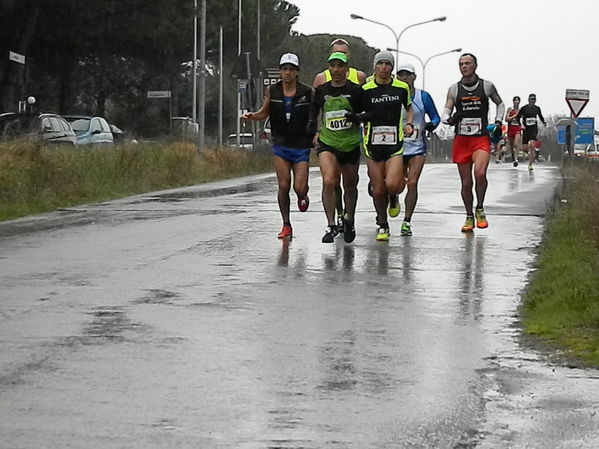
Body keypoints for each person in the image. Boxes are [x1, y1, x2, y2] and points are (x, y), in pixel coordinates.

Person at [243, 53, 314, 239]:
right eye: (284, 69)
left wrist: (316, 133)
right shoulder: (272, 90)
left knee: (299, 187)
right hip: (281, 144)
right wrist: (252, 117)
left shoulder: (307, 92)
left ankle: (302, 196)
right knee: (283, 185)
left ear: (297, 72)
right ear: (280, 71)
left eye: (291, 69)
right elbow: (264, 112)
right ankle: (286, 224)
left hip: (300, 146)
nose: (288, 73)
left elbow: (315, 115)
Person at [442, 53, 505, 232]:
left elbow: (500, 104)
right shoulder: (454, 89)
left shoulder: (486, 86)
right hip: (462, 140)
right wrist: (451, 118)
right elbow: (445, 113)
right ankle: (469, 215)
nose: (464, 66)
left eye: (467, 63)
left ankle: (480, 208)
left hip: (480, 138)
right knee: (466, 183)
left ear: (475, 66)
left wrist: (498, 122)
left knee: (479, 173)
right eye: (461, 64)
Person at [357, 51, 414, 241]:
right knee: (378, 188)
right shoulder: (366, 89)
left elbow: (409, 108)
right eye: (380, 63)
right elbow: (359, 111)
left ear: (392, 68)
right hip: (372, 145)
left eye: (387, 64)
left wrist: (409, 124)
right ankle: (382, 224)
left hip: (394, 144)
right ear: (375, 66)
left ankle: (394, 196)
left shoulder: (401, 87)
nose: (383, 67)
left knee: (392, 184)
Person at [311, 52, 366, 243]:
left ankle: (349, 219)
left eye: (340, 66)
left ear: (346, 69)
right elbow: (315, 112)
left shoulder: (356, 90)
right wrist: (316, 132)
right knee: (329, 181)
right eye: (332, 66)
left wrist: (357, 118)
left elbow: (367, 113)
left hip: (349, 144)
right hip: (328, 143)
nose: (336, 70)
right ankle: (331, 224)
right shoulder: (321, 90)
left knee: (350, 186)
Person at [394, 62, 440, 236]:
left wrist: (430, 125)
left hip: (417, 147)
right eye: (401, 75)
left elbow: (435, 117)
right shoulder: (394, 94)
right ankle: (393, 197)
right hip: (396, 147)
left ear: (414, 77)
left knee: (412, 183)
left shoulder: (423, 97)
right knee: (395, 186)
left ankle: (407, 221)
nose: (404, 78)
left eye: (407, 74)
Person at [517, 93, 546, 170]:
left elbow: (540, 116)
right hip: (526, 129)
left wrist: (544, 122)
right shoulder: (524, 108)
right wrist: (521, 125)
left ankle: (530, 164)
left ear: (535, 100)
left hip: (533, 129)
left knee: (532, 145)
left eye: (534, 99)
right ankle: (526, 153)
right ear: (528, 100)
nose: (532, 100)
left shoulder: (537, 108)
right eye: (531, 99)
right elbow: (518, 117)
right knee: (525, 148)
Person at [505, 96, 522, 166]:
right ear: (513, 101)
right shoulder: (510, 109)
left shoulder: (521, 110)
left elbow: (522, 120)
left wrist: (523, 126)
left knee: (516, 144)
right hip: (510, 128)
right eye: (515, 100)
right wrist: (514, 116)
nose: (517, 102)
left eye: (518, 100)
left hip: (517, 128)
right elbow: (506, 119)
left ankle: (516, 159)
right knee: (511, 146)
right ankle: (512, 154)